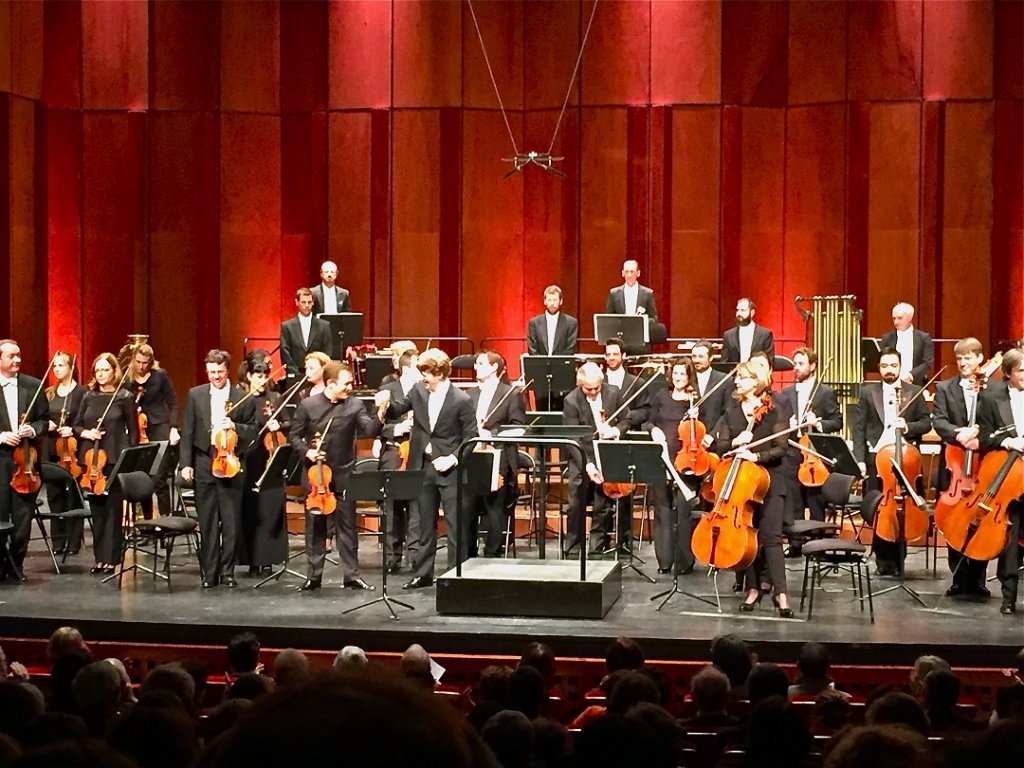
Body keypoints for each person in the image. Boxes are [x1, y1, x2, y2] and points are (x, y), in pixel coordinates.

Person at [382, 348, 477, 589]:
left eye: (425, 373)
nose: (422, 378)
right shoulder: (418, 391)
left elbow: (471, 438)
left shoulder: (461, 400)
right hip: (422, 466)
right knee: (424, 523)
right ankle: (423, 573)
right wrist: (383, 404)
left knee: (455, 526)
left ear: (439, 373)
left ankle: (456, 575)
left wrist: (452, 459)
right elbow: (397, 409)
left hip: (450, 469)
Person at [288, 361, 386, 591]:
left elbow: (369, 430)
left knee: (348, 527)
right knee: (315, 526)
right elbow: (294, 436)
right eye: (346, 383)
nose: (350, 387)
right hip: (316, 476)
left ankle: (351, 575)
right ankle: (314, 576)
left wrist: (380, 412)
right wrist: (307, 451)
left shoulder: (354, 405)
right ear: (331, 384)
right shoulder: (308, 405)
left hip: (344, 473)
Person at [712, 358, 792, 616]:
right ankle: (753, 589)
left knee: (771, 539)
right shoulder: (732, 411)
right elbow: (720, 446)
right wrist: (736, 441)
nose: (737, 381)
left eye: (742, 377)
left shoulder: (773, 410)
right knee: (746, 538)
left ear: (756, 381)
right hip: (741, 484)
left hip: (769, 481)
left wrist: (756, 456)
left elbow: (781, 448)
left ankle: (781, 594)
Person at [179, 349, 257, 588]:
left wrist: (235, 425)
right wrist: (186, 464)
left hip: (231, 461)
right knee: (208, 520)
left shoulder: (243, 396)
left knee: (231, 521)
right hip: (204, 460)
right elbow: (188, 431)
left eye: (219, 372)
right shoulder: (196, 395)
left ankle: (227, 572)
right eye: (211, 372)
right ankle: (209, 573)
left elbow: (253, 430)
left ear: (227, 370)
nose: (215, 376)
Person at [851, 348, 932, 576]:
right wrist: (860, 460)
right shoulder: (868, 392)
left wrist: (907, 426)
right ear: (879, 368)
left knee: (903, 510)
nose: (889, 370)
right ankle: (882, 560)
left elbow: (926, 423)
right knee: (880, 510)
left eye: (893, 366)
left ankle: (899, 560)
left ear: (900, 366)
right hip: (877, 460)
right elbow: (858, 428)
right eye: (885, 366)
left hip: (906, 460)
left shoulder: (914, 392)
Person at [932, 337, 991, 597]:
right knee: (953, 518)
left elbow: (999, 423)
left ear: (980, 358)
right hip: (956, 462)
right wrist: (959, 434)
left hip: (983, 464)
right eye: (959, 359)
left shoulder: (994, 389)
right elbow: (939, 422)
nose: (963, 363)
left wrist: (978, 432)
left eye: (968, 358)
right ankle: (957, 578)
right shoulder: (945, 388)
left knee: (982, 519)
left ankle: (978, 579)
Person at [74, 353, 139, 574]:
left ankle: (112, 558)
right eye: (97, 371)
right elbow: (77, 426)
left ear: (114, 371)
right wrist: (87, 433)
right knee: (97, 511)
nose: (101, 374)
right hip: (91, 460)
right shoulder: (88, 396)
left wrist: (129, 459)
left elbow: (133, 433)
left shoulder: (125, 396)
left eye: (105, 370)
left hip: (114, 459)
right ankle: (99, 558)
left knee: (112, 511)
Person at [561, 362, 630, 556]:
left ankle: (597, 547)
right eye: (588, 389)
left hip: (607, 453)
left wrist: (616, 430)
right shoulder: (571, 400)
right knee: (576, 501)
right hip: (581, 454)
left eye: (596, 388)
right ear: (580, 384)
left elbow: (627, 419)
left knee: (603, 502)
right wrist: (589, 465)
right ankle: (573, 547)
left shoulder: (613, 393)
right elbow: (572, 437)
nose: (592, 392)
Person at [977, 347, 1024, 615]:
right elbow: (984, 437)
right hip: (1010, 477)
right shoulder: (991, 398)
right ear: (1007, 373)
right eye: (1021, 370)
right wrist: (1008, 441)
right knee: (1011, 533)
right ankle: (1009, 597)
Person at [466, 351, 526, 558]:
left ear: (494, 368)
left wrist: (491, 433)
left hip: (498, 456)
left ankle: (492, 554)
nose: (476, 367)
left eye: (481, 363)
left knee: (494, 509)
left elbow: (518, 427)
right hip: (472, 456)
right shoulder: (469, 394)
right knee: (469, 507)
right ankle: (468, 555)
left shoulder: (511, 394)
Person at [646, 357, 703, 574]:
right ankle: (664, 560)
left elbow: (702, 429)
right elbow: (649, 420)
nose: (678, 377)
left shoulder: (694, 401)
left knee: (684, 512)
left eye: (682, 374)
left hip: (686, 459)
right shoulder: (661, 396)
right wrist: (653, 430)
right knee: (662, 510)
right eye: (675, 373)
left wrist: (696, 418)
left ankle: (684, 561)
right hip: (662, 457)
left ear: (689, 377)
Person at [0, 339, 49, 580]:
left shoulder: (34, 386)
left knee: (22, 521)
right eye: (12, 356)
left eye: (19, 355)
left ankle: (15, 564)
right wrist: (1, 436)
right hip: (0, 460)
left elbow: (45, 420)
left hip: (26, 463)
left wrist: (33, 430)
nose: (17, 360)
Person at [781, 347, 843, 534]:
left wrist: (818, 423)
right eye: (795, 364)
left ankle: (817, 541)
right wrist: (786, 423)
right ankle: (796, 543)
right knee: (794, 500)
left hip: (815, 452)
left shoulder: (825, 392)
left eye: (801, 364)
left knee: (815, 500)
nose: (796, 368)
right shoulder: (786, 392)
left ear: (813, 366)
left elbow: (837, 421)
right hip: (793, 450)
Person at [238, 354, 289, 576]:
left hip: (270, 458)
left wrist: (279, 424)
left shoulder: (275, 397)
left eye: (264, 376)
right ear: (249, 376)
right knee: (250, 510)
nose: (261, 380)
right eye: (257, 376)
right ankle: (251, 559)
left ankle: (269, 558)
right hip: (249, 459)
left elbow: (289, 422)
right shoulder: (241, 398)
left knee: (270, 508)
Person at [376, 349, 420, 574]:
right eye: (417, 367)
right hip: (394, 451)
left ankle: (415, 556)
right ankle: (392, 557)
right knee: (392, 506)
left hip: (416, 453)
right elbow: (376, 425)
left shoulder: (424, 391)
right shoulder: (387, 390)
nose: (421, 372)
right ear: (406, 369)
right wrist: (397, 429)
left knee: (416, 505)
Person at [129, 344, 180, 518]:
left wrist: (173, 428)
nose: (141, 366)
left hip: (159, 428)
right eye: (138, 362)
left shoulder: (160, 376)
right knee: (141, 478)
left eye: (145, 363)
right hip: (137, 431)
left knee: (158, 478)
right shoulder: (127, 379)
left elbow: (173, 404)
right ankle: (146, 523)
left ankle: (166, 520)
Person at [44, 351, 87, 555]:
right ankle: (58, 542)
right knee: (55, 496)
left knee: (73, 497)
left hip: (72, 451)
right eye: (55, 366)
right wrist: (47, 424)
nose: (57, 369)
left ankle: (73, 542)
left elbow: (84, 421)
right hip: (52, 450)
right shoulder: (49, 393)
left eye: (61, 365)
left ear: (71, 367)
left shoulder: (81, 393)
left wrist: (73, 430)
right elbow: (40, 417)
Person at [604, 260, 666, 345]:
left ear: (638, 273)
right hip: (620, 341)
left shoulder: (647, 293)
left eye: (632, 272)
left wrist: (640, 321)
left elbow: (654, 318)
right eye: (626, 272)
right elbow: (609, 318)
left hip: (640, 340)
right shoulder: (614, 293)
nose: (629, 275)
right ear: (622, 273)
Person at [280, 288, 332, 382]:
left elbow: (327, 352)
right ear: (297, 302)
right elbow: (285, 352)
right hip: (295, 374)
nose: (307, 305)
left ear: (313, 303)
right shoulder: (287, 326)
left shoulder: (324, 326)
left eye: (309, 302)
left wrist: (319, 371)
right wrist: (294, 372)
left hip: (318, 375)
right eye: (303, 302)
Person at [879, 302, 933, 386]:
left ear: (910, 317)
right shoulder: (887, 338)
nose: (896, 322)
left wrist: (911, 376)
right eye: (894, 318)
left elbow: (927, 363)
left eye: (900, 318)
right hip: (891, 383)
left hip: (916, 384)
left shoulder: (924, 338)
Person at [526, 285, 579, 356]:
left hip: (562, 365)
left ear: (561, 301)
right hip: (540, 365)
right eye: (549, 300)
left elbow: (570, 348)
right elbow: (532, 348)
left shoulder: (571, 323)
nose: (552, 303)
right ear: (545, 301)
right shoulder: (534, 323)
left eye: (555, 300)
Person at [691, 339, 731, 430]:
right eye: (694, 356)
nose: (696, 360)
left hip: (714, 436)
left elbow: (727, 413)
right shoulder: (687, 378)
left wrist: (713, 435)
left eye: (701, 356)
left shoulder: (725, 380)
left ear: (711, 357)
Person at [721, 298, 775, 364]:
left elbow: (769, 361)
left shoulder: (765, 334)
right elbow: (724, 362)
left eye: (742, 310)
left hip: (756, 373)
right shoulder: (728, 335)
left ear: (752, 313)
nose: (739, 313)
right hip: (735, 373)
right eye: (738, 310)